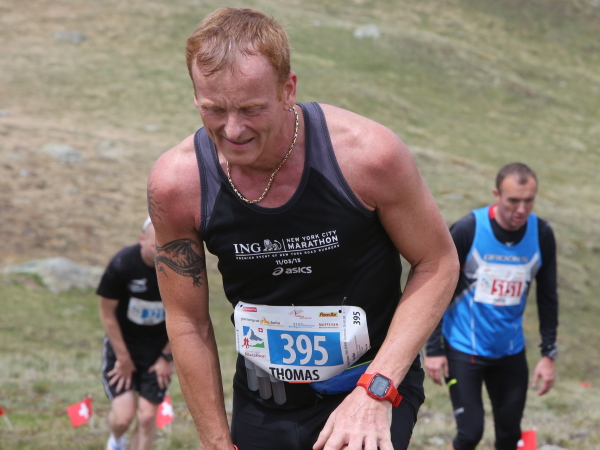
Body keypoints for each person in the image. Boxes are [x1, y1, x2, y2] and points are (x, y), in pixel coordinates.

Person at [147, 7, 459, 450]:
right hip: (264, 397)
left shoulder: (367, 156)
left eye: (252, 109)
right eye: (213, 109)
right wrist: (215, 442)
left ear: (288, 89)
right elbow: (188, 322)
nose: (232, 129)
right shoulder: (178, 184)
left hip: (369, 382)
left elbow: (438, 262)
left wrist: (377, 388)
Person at [424, 162, 559, 450]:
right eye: (513, 200)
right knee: (469, 434)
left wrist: (548, 354)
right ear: (496, 195)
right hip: (464, 350)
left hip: (510, 353)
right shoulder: (468, 229)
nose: (521, 209)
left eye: (529, 200)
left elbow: (548, 297)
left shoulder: (541, 234)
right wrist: (434, 349)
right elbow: (437, 288)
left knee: (509, 437)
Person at [98, 217, 174, 450]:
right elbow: (107, 314)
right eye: (154, 246)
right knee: (123, 418)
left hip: (158, 350)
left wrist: (166, 357)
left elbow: (186, 318)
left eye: (164, 246)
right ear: (142, 239)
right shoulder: (122, 264)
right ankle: (117, 441)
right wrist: (123, 358)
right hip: (124, 346)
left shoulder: (177, 269)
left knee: (147, 417)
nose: (159, 251)